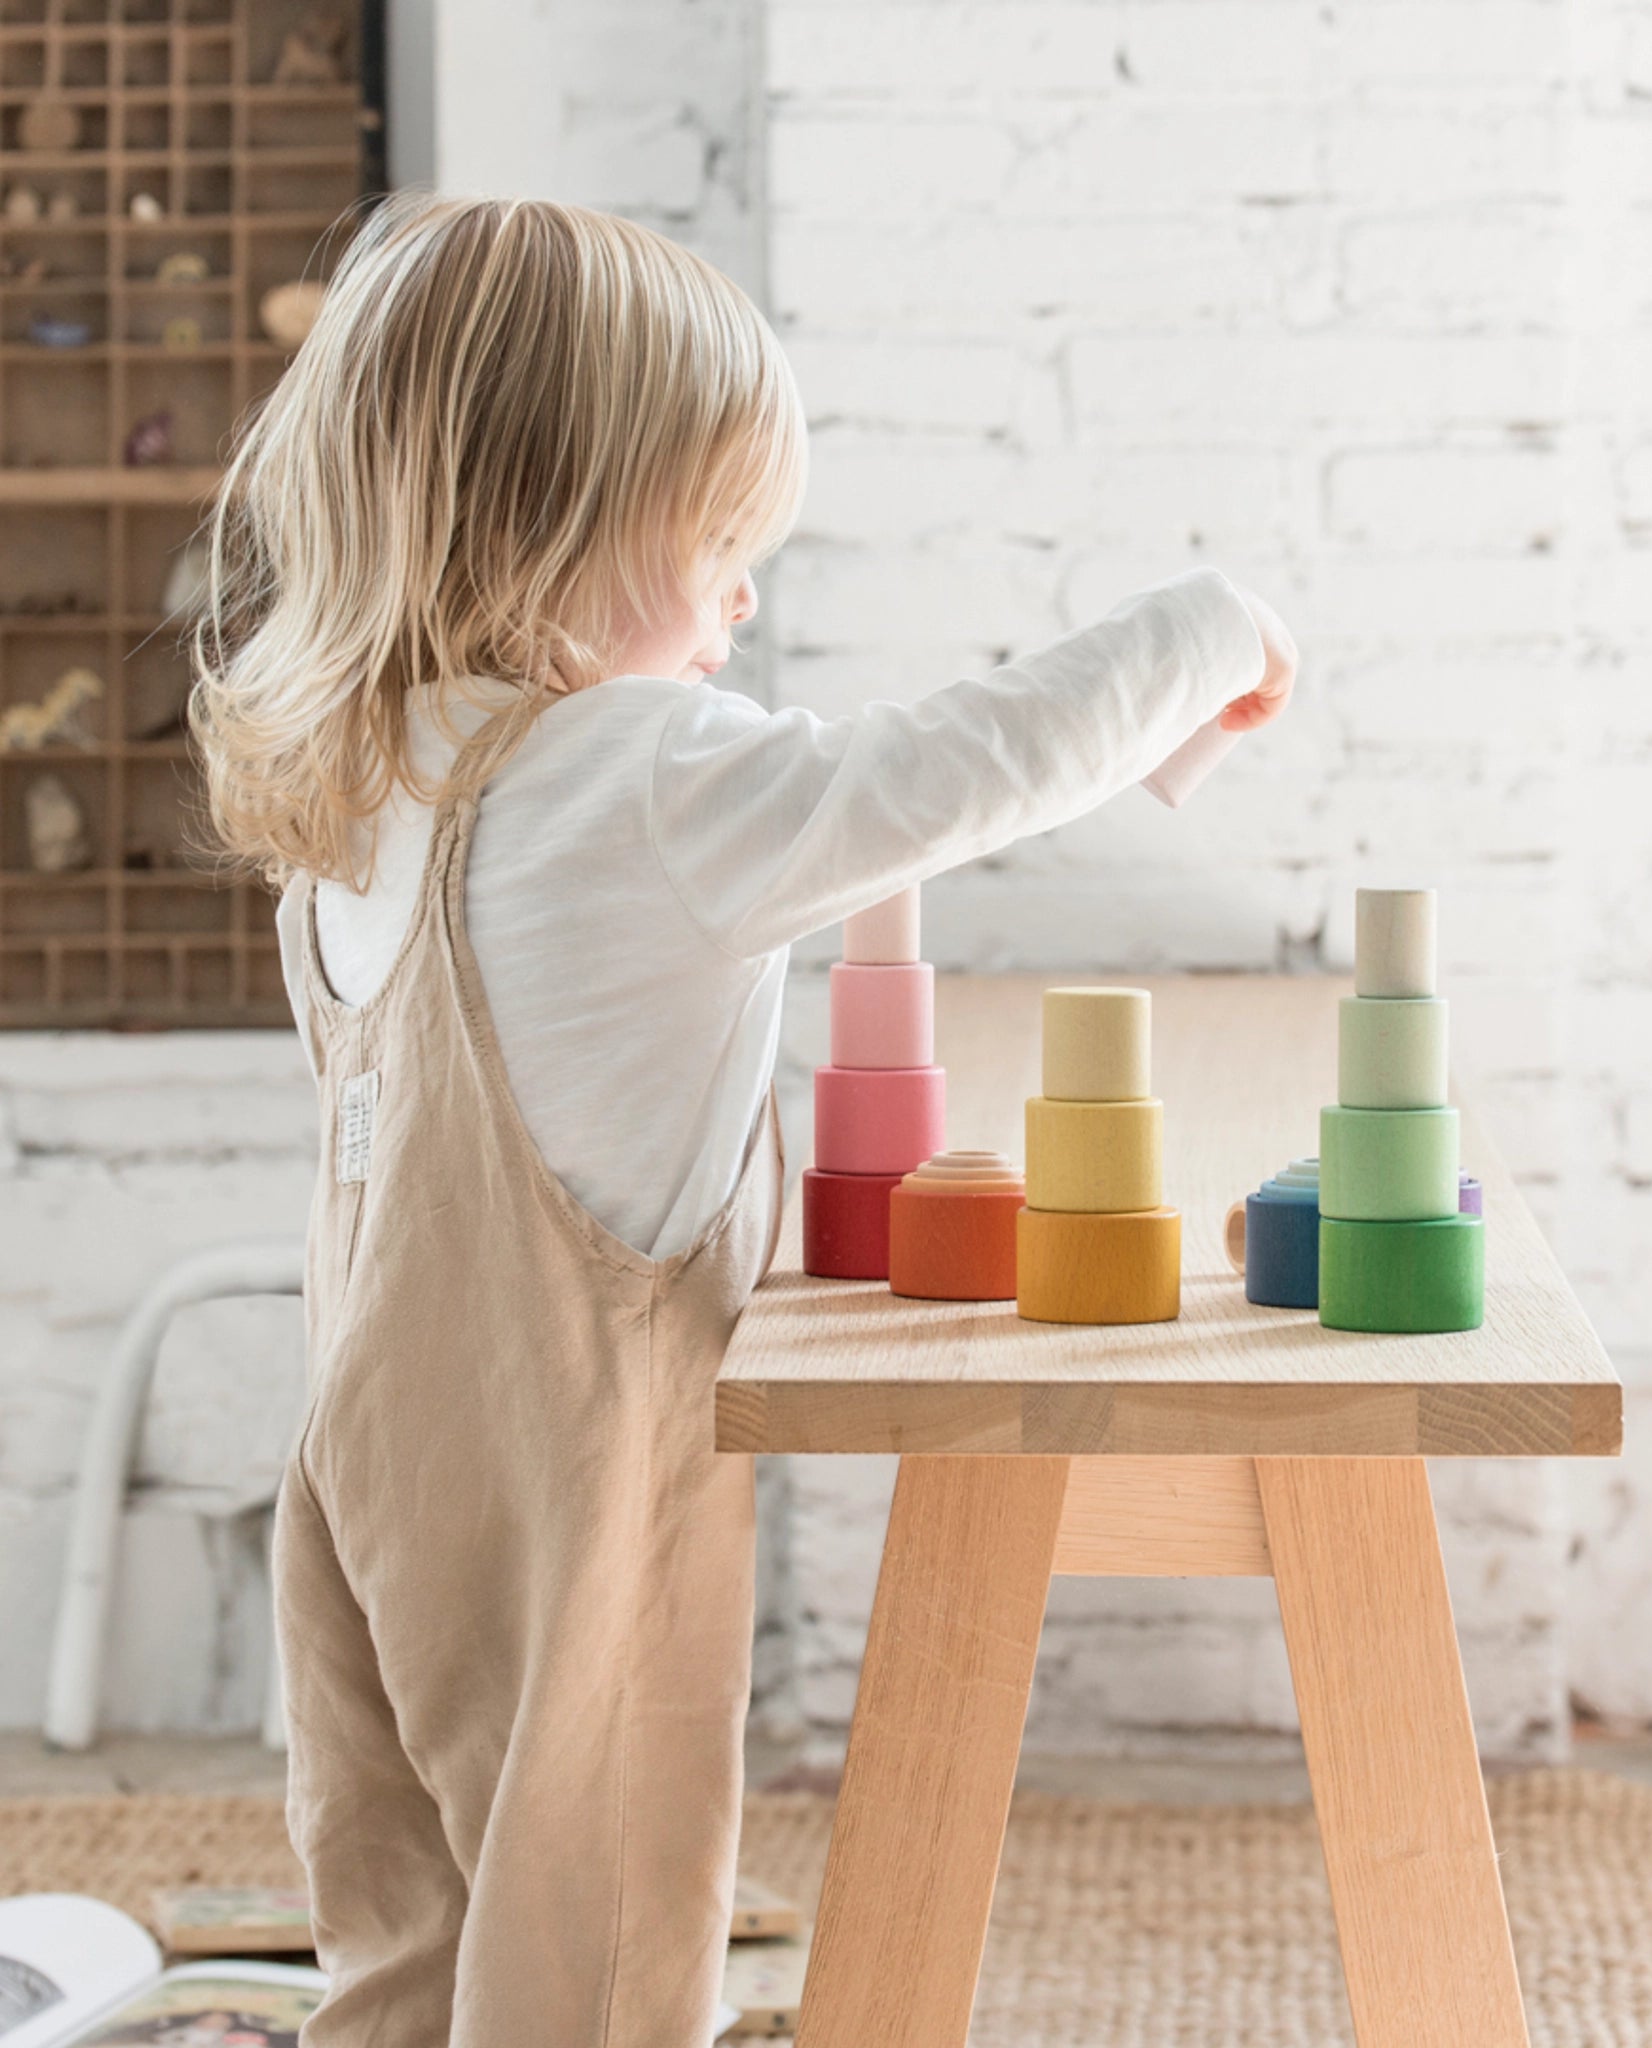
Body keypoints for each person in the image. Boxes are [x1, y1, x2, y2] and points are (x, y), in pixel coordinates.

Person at [192, 192, 1296, 2047]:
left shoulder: (371, 785)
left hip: (360, 1448)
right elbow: (955, 770)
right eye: (714, 536)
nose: (744, 591)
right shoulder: (638, 778)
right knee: (604, 1951)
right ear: (555, 526)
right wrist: (1210, 630)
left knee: (409, 1937)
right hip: (571, 1466)